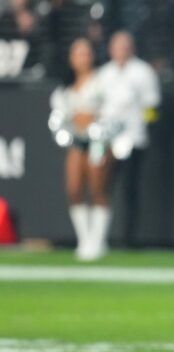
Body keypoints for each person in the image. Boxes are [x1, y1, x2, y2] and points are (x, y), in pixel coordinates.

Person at [98, 31, 160, 247]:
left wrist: (142, 125)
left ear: (132, 48)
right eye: (117, 46)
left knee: (129, 189)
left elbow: (152, 107)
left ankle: (128, 237)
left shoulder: (142, 72)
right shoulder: (104, 74)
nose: (121, 50)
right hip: (106, 139)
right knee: (101, 185)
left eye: (125, 46)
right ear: (110, 49)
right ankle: (99, 237)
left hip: (133, 138)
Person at [49, 38, 109, 261]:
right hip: (76, 141)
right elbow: (60, 117)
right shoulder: (65, 87)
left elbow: (109, 109)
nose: (82, 58)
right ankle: (84, 239)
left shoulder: (102, 81)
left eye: (86, 53)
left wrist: (95, 122)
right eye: (77, 54)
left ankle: (98, 239)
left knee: (97, 187)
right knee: (74, 188)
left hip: (98, 142)